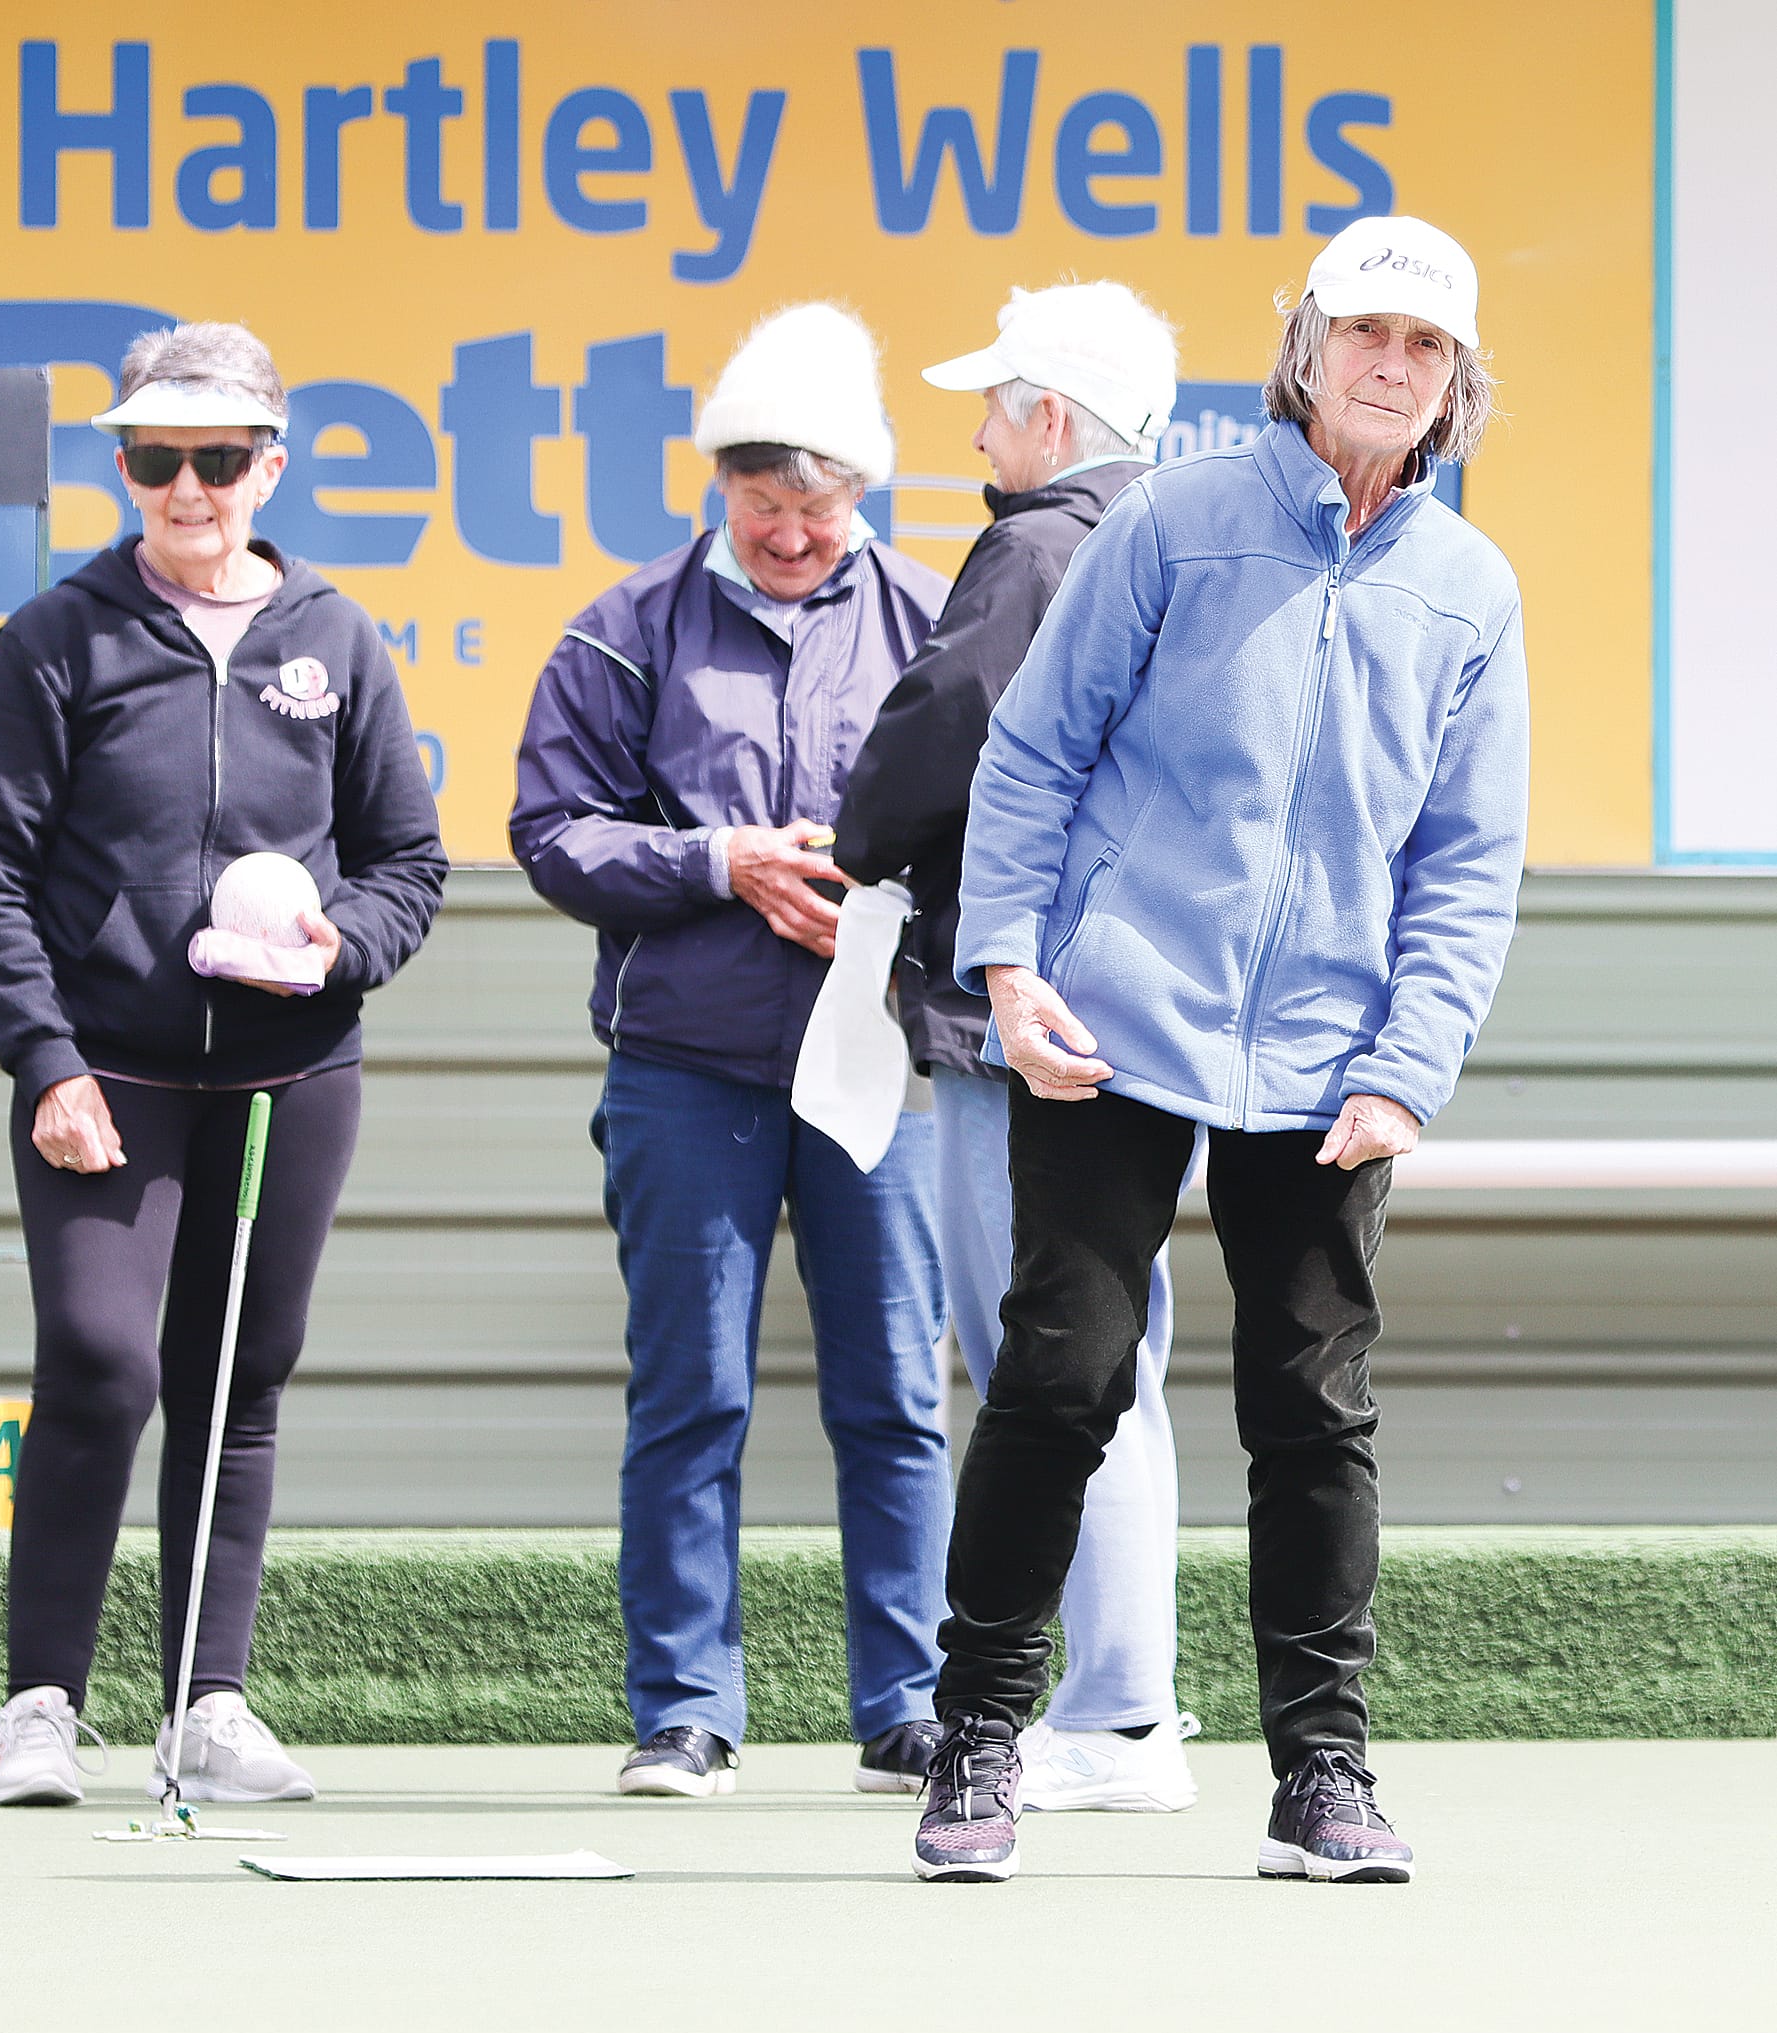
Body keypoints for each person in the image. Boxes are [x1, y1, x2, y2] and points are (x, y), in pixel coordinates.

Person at [910, 217, 1528, 1883]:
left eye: (1423, 346)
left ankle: (1321, 1776)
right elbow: (1033, 754)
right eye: (1363, 333)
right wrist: (1011, 967)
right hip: (1111, 1027)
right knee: (1059, 1373)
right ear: (1304, 344)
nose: (1389, 365)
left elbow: (1466, 862)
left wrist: (1409, 1061)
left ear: (1454, 379)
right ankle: (979, 1736)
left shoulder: (1469, 590)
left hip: (1333, 1064)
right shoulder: (1178, 517)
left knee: (1311, 1412)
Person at [0, 322, 446, 1808]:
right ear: (123, 467)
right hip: (110, 1066)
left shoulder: (338, 639)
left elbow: (407, 863)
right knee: (102, 1361)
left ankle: (204, 1705)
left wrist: (334, 950)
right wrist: (46, 1063)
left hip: (293, 1073)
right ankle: (41, 1701)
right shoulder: (56, 637)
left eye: (218, 460)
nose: (188, 488)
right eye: (159, 459)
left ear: (267, 466)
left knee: (238, 1380)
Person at [512, 304, 954, 1799]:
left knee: (891, 1393)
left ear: (865, 493)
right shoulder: (621, 630)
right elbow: (549, 833)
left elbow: (1007, 826)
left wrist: (891, 913)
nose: (790, 533)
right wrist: (718, 865)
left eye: (818, 505)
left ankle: (907, 1702)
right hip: (682, 1073)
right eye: (762, 503)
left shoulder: (940, 625)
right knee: (687, 1395)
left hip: (873, 1067)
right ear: (718, 489)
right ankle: (684, 1712)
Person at [831, 281, 1202, 1815]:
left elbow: (934, 740)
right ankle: (1127, 1703)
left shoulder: (1041, 540)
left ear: (1053, 416)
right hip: (1146, 1006)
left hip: (1021, 1011)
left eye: (993, 401)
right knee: (1125, 1356)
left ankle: (1116, 1719)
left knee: (1046, 1360)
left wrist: (859, 841)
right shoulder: (1188, 540)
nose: (973, 426)